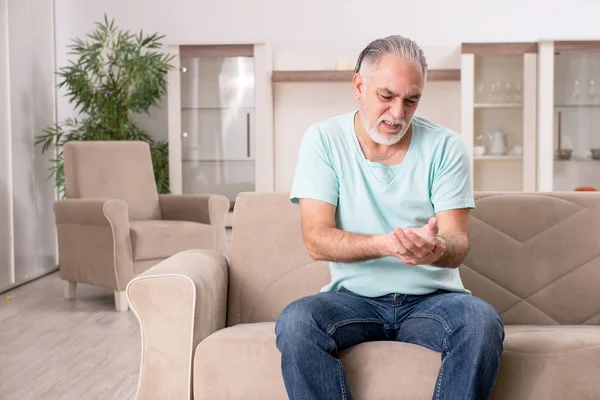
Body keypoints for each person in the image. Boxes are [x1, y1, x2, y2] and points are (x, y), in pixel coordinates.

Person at [274, 35, 505, 400]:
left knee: (481, 321)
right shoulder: (323, 140)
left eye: (411, 100)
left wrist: (436, 248)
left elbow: (457, 243)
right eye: (387, 96)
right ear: (359, 86)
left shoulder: (446, 147)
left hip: (434, 299)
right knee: (298, 321)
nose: (398, 113)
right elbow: (316, 239)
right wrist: (388, 244)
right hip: (354, 299)